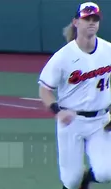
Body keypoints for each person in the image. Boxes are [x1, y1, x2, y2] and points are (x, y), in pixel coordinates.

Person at [38, 2, 111, 189]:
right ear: (76, 22)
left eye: (95, 19)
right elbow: (45, 89)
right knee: (71, 182)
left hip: (101, 121)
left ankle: (86, 179)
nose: (91, 22)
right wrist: (57, 111)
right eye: (87, 19)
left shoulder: (108, 50)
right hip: (71, 122)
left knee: (105, 172)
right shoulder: (63, 56)